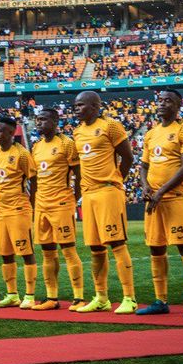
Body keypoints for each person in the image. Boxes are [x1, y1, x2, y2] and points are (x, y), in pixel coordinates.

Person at [136, 89, 183, 317]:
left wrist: (161, 191)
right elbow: (144, 166)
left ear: (178, 106)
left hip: (175, 199)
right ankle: (160, 301)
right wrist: (146, 187)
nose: (163, 104)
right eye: (160, 100)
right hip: (153, 200)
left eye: (168, 101)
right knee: (156, 248)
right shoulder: (151, 134)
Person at [72, 91, 137, 314]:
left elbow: (128, 157)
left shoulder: (111, 126)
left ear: (95, 106)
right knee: (95, 249)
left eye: (80, 105)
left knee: (117, 243)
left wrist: (117, 180)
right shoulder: (77, 132)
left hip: (108, 191)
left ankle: (129, 297)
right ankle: (101, 298)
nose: (76, 108)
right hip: (88, 195)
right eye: (75, 105)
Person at [29, 108, 85, 311]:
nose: (39, 123)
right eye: (37, 120)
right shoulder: (36, 147)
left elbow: (79, 174)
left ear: (55, 122)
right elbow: (34, 178)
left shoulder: (66, 144)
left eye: (43, 119)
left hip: (61, 203)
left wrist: (74, 197)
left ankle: (78, 297)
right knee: (47, 252)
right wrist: (35, 202)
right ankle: (51, 298)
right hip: (42, 204)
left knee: (68, 250)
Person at [0, 117, 38, 309]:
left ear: (11, 133)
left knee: (26, 252)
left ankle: (30, 295)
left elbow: (34, 181)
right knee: (5, 253)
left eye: (0, 131)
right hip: (2, 209)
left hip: (19, 208)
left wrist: (32, 205)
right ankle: (12, 294)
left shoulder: (22, 155)